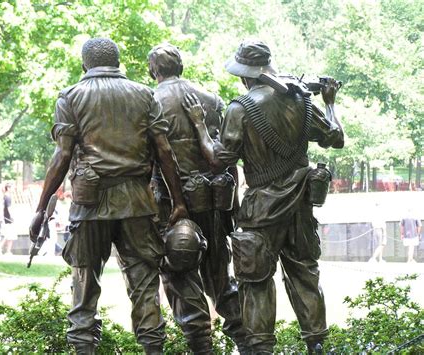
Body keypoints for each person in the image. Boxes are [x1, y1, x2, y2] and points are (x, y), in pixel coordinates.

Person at [184, 40, 344, 353]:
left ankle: (260, 350)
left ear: (245, 76)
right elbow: (335, 139)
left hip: (261, 210)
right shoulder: (304, 102)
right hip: (300, 206)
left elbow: (219, 160)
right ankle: (318, 346)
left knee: (255, 283)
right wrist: (329, 102)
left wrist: (200, 126)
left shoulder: (240, 108)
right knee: (305, 275)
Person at [29, 37, 188, 355]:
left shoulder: (71, 96)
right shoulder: (144, 94)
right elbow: (165, 152)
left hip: (90, 207)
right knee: (145, 287)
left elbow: (62, 156)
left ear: (84, 64)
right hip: (138, 205)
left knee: (84, 291)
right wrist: (179, 201)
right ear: (117, 63)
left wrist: (41, 208)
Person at [148, 43, 248, 354]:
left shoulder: (148, 102)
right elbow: (225, 156)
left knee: (179, 273)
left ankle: (202, 347)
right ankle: (248, 343)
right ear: (180, 67)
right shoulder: (210, 100)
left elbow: (151, 160)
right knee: (220, 277)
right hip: (214, 201)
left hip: (172, 205)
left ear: (154, 70)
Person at [1, 183, 17, 255]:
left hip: (7, 218)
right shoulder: (7, 197)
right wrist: (12, 217)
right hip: (9, 219)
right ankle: (5, 250)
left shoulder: (5, 196)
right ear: (8, 188)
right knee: (10, 235)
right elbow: (9, 207)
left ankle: (7, 250)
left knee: (8, 235)